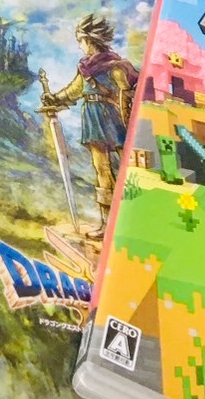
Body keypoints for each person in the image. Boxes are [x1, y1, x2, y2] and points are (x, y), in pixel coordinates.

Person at [40, 15, 139, 237]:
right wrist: (54, 98)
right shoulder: (85, 69)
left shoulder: (116, 67)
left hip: (115, 118)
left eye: (81, 41)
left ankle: (132, 218)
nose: (80, 46)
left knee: (128, 168)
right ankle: (107, 223)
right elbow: (74, 90)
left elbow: (129, 96)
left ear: (90, 40)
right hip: (93, 118)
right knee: (102, 169)